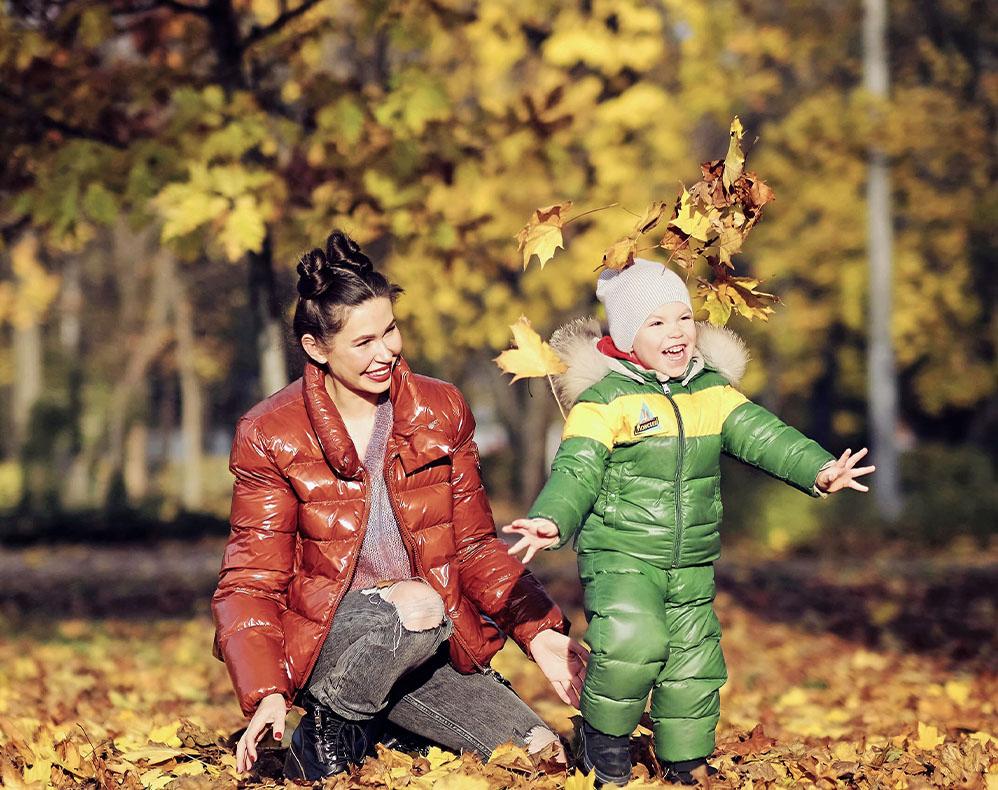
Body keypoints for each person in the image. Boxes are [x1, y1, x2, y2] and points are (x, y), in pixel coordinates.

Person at [211, 230, 588, 782]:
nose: (387, 350)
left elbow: (473, 546)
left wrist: (539, 631)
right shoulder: (271, 432)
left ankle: (384, 725)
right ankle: (330, 727)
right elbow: (249, 582)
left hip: (426, 641)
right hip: (331, 636)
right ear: (317, 348)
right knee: (415, 604)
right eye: (363, 342)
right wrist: (265, 694)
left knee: (539, 756)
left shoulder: (442, 409)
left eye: (390, 330)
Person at [503, 258, 875, 787]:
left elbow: (766, 436)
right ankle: (602, 737)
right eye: (656, 323)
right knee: (633, 641)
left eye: (683, 318)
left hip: (692, 559)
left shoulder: (711, 392)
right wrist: (551, 519)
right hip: (622, 556)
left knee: (693, 662)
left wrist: (818, 469)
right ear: (628, 336)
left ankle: (685, 760)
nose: (676, 332)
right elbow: (577, 470)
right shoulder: (604, 401)